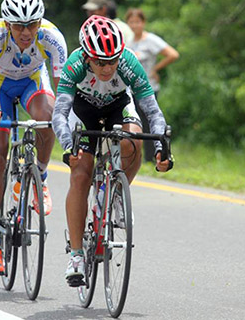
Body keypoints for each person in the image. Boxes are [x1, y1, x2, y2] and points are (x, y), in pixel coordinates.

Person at [52, 15, 172, 286]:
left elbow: (152, 111)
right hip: (83, 111)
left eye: (112, 61)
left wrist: (162, 149)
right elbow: (59, 113)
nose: (107, 68)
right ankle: (76, 254)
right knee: (81, 173)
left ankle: (116, 192)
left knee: (133, 140)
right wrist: (68, 144)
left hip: (118, 105)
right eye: (99, 63)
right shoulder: (74, 66)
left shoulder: (129, 63)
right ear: (86, 57)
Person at [0, 0, 67, 275]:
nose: (26, 32)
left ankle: (39, 175)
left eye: (32, 24)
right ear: (8, 24)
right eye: (19, 26)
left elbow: (64, 91)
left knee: (49, 116)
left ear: (40, 23)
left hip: (32, 82)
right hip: (0, 90)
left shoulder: (52, 37)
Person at [125, 8, 179, 161]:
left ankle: (153, 156)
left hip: (148, 87)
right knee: (135, 121)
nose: (135, 25)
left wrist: (156, 68)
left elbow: (173, 54)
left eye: (138, 22)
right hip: (132, 89)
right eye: (131, 22)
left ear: (143, 23)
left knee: (150, 121)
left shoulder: (151, 40)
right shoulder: (129, 42)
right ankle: (136, 156)